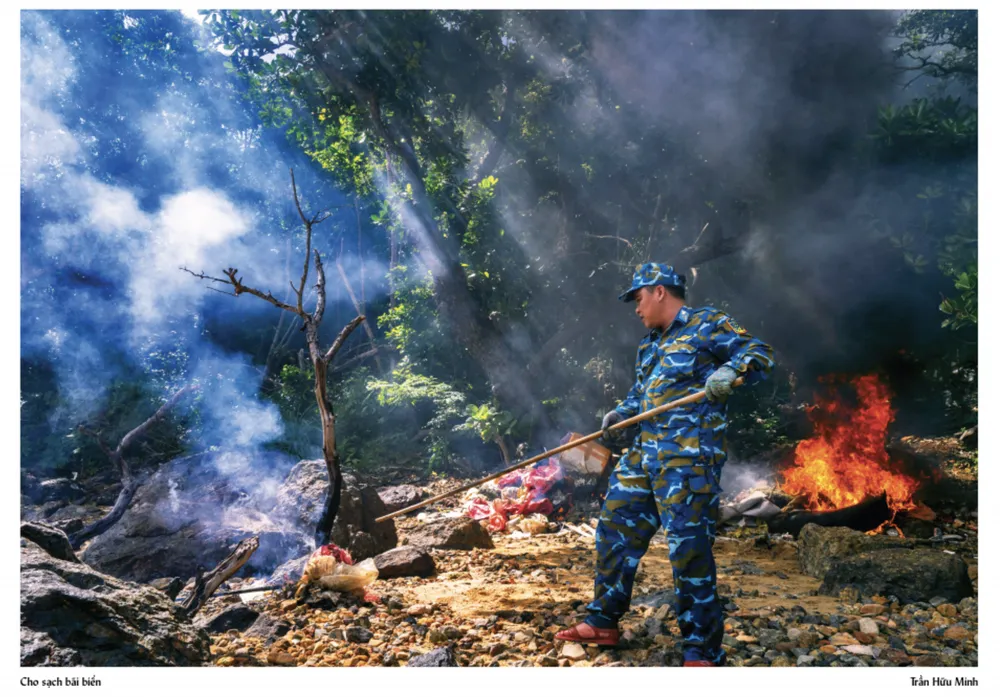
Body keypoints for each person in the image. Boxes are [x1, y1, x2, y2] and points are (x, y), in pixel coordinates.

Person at [554, 262, 775, 666]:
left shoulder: (707, 324)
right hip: (643, 458)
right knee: (613, 530)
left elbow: (758, 353)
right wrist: (620, 414)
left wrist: (729, 369)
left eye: (638, 298)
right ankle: (602, 620)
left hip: (687, 461)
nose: (636, 308)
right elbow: (642, 396)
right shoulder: (649, 345)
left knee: (689, 551)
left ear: (659, 291)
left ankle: (701, 650)